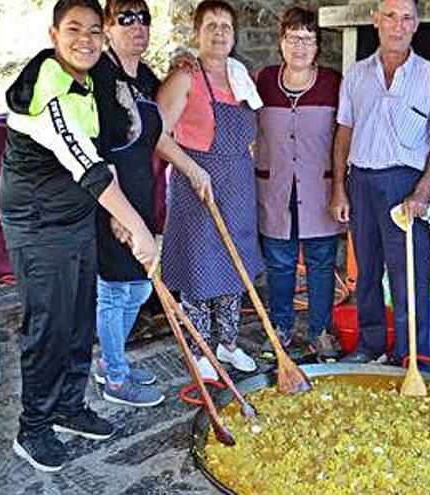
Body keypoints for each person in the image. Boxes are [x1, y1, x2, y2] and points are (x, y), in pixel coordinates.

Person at [0, 0, 159, 472]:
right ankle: (34, 428)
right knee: (48, 325)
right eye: (74, 29)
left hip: (74, 215)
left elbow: (97, 151)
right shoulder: (48, 87)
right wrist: (137, 228)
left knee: (78, 319)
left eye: (93, 30)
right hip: (36, 221)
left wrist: (112, 215)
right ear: (54, 34)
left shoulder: (90, 81)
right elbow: (85, 166)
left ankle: (69, 406)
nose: (85, 39)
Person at [90, 0, 212, 408]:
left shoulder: (142, 76)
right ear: (108, 27)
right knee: (115, 290)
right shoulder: (100, 78)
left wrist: (193, 169)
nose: (136, 26)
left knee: (140, 288)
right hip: (111, 198)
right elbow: (98, 150)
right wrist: (116, 214)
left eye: (143, 18)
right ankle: (116, 379)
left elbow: (157, 134)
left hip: (143, 195)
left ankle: (112, 361)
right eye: (125, 19)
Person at [329, 0, 430, 366]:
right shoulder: (356, 75)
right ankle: (370, 346)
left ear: (416, 25)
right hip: (361, 183)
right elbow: (343, 132)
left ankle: (410, 356)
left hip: (406, 186)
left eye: (406, 18)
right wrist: (339, 186)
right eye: (390, 16)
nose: (397, 26)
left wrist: (422, 190)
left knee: (409, 276)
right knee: (365, 272)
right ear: (376, 21)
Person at [157, 0, 263, 381]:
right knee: (198, 270)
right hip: (196, 185)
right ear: (197, 33)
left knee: (234, 268)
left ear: (233, 36)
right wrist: (192, 169)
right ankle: (200, 351)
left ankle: (228, 345)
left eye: (226, 27)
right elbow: (156, 133)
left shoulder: (239, 76)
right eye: (211, 26)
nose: (219, 33)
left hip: (236, 186)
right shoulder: (185, 78)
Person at [255, 5, 344, 360]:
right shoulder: (262, 80)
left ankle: (320, 331)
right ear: (281, 43)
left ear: (318, 45)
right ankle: (280, 328)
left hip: (319, 189)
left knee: (322, 263)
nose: (300, 46)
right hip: (275, 189)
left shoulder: (332, 83)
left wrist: (343, 184)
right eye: (293, 38)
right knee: (279, 263)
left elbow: (345, 134)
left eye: (308, 39)